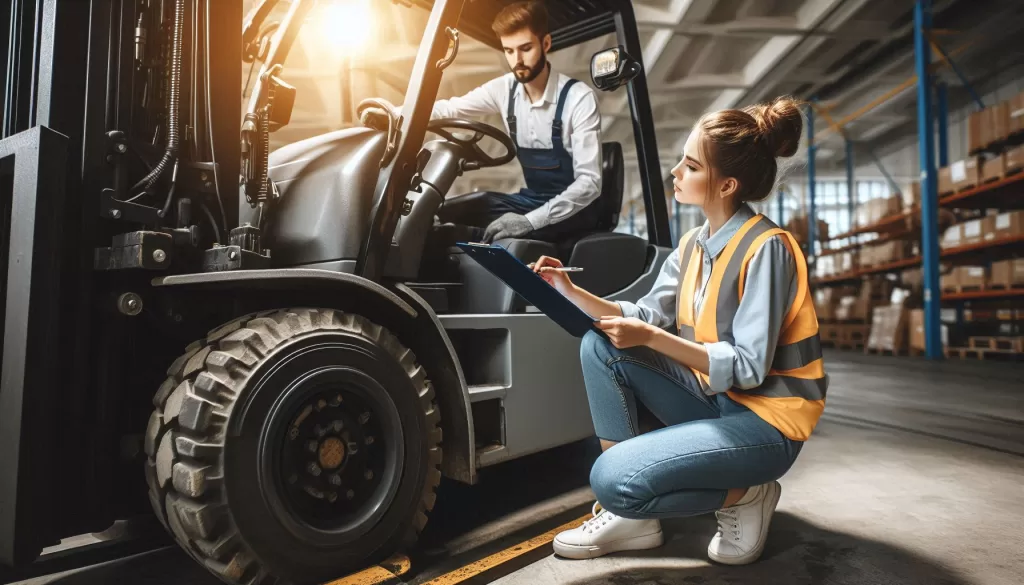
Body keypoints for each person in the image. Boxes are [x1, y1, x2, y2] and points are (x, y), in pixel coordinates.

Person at [532, 96, 827, 565]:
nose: (676, 172)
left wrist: (649, 338)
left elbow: (749, 369)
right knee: (599, 344)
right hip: (715, 402)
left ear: (726, 184)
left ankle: (747, 494)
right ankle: (635, 519)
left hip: (768, 424)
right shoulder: (693, 245)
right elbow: (642, 315)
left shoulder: (768, 249)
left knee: (611, 481)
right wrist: (567, 289)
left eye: (690, 165)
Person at [360, 0, 603, 244]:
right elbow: (450, 108)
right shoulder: (505, 89)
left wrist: (529, 221)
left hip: (576, 210)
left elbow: (589, 183)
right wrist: (394, 113)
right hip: (531, 198)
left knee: (472, 236)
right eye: (508, 50)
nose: (516, 59)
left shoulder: (578, 98)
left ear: (546, 43)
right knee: (437, 211)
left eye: (525, 48)